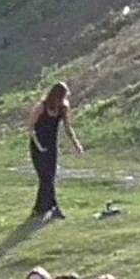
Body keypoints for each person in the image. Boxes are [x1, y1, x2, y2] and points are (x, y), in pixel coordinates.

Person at [27, 82, 85, 221]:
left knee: (50, 177)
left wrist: (76, 144)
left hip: (51, 146)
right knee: (45, 177)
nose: (64, 99)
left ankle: (40, 209)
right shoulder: (41, 107)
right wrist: (39, 146)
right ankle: (51, 207)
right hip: (38, 146)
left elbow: (67, 127)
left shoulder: (63, 108)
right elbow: (30, 127)